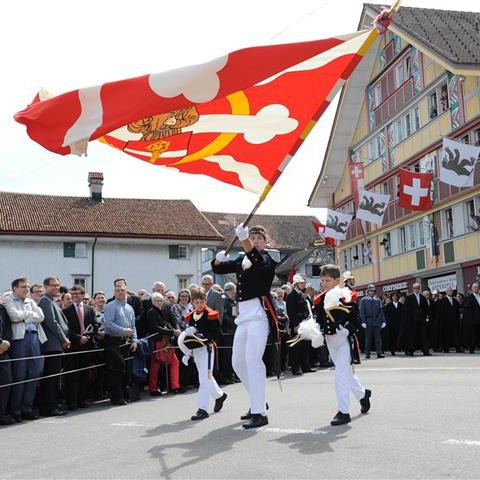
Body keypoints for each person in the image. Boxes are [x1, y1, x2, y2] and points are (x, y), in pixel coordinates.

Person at [212, 224, 277, 429]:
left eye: (259, 238)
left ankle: (260, 413)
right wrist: (218, 259)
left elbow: (257, 261)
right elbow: (219, 269)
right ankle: (258, 401)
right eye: (253, 237)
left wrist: (244, 240)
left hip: (259, 313)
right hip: (243, 314)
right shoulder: (242, 259)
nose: (255, 240)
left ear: (265, 242)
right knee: (238, 362)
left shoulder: (267, 259)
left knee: (252, 359)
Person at [313, 265, 370, 426]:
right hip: (331, 341)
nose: (324, 283)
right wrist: (314, 332)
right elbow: (319, 321)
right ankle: (363, 395)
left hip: (344, 340)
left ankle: (343, 411)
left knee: (340, 374)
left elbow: (357, 320)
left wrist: (348, 329)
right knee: (344, 373)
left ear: (337, 281)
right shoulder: (319, 299)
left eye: (327, 280)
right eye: (322, 280)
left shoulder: (347, 296)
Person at [4, 278, 47, 421]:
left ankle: (27, 408)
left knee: (34, 373)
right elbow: (14, 316)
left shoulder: (30, 301)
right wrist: (29, 315)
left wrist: (25, 315)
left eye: (28, 287)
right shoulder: (9, 300)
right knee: (20, 374)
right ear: (15, 288)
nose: (26, 289)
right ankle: (16, 410)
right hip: (20, 339)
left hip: (34, 337)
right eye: (23, 287)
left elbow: (41, 317)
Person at [183, 289, 227, 420]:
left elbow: (218, 333)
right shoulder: (191, 316)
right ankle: (219, 395)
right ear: (193, 303)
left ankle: (202, 409)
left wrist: (203, 336)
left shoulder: (211, 314)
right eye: (197, 302)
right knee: (206, 376)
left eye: (202, 301)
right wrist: (187, 350)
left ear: (205, 301)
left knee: (204, 378)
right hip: (196, 349)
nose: (200, 304)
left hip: (207, 348)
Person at [37, 276, 71, 417]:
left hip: (56, 345)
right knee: (51, 378)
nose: (56, 287)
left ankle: (51, 404)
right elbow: (52, 323)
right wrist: (64, 339)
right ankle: (49, 407)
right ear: (46, 286)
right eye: (53, 285)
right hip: (52, 345)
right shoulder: (45, 301)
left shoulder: (51, 301)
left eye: (58, 285)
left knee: (55, 377)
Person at [62, 285, 96, 410]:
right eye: (73, 293)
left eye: (78, 293)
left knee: (84, 375)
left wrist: (87, 336)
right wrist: (78, 338)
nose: (75, 295)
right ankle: (72, 402)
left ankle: (82, 400)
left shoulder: (89, 309)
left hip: (86, 346)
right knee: (72, 376)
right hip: (73, 347)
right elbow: (66, 329)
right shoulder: (66, 311)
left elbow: (95, 325)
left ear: (83, 295)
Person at [104, 282, 138, 405]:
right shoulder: (111, 306)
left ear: (126, 291)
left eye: (122, 290)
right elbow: (108, 324)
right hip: (113, 340)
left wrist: (134, 340)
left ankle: (124, 394)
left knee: (126, 369)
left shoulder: (129, 308)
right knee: (117, 368)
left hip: (126, 341)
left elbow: (133, 326)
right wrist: (124, 331)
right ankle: (116, 397)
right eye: (117, 290)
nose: (119, 292)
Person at [146, 293, 181, 395]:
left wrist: (175, 329)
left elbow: (170, 321)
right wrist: (172, 332)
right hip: (157, 341)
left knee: (174, 362)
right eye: (157, 300)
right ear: (152, 301)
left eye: (161, 300)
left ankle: (175, 386)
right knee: (155, 365)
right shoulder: (151, 312)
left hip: (167, 340)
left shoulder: (164, 309)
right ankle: (153, 389)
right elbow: (155, 327)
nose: (159, 302)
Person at [286, 274, 314, 374]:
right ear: (296, 284)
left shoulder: (301, 295)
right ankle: (295, 368)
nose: (303, 284)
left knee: (305, 346)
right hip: (297, 324)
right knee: (296, 348)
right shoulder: (291, 296)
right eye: (301, 283)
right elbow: (291, 312)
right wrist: (294, 325)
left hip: (304, 323)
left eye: (303, 283)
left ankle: (305, 366)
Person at [402, 283, 431, 356]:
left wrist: (425, 317)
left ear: (419, 288)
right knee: (412, 336)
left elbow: (426, 309)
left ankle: (425, 351)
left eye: (417, 288)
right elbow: (406, 310)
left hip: (421, 321)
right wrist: (408, 320)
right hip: (412, 321)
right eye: (414, 288)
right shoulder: (409, 297)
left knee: (423, 336)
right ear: (412, 288)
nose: (416, 289)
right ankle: (411, 351)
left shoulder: (423, 297)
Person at [218, 282, 238, 384]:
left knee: (232, 355)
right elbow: (224, 317)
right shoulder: (224, 301)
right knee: (226, 356)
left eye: (232, 289)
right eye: (228, 289)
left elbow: (234, 314)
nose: (231, 291)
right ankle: (226, 376)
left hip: (233, 332)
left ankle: (231, 375)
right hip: (226, 333)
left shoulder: (233, 301)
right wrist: (235, 323)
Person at [359, 284, 386, 359]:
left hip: (377, 321)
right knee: (368, 338)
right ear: (367, 291)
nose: (372, 292)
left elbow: (381, 312)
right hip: (368, 321)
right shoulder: (363, 300)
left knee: (378, 338)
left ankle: (379, 353)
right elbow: (361, 312)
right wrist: (363, 322)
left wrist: (383, 321)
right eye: (370, 291)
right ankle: (367, 354)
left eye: (373, 291)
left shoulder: (378, 300)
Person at [0, 300, 14, 425]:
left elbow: (8, 328)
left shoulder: (3, 309)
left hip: (4, 352)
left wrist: (6, 344)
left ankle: (2, 413)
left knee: (6, 381)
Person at [437, 287, 461, 353]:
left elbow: (457, 311)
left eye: (451, 291)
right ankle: (446, 348)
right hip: (446, 322)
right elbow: (440, 312)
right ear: (446, 292)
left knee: (456, 335)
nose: (451, 292)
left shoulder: (455, 300)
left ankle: (458, 348)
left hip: (455, 321)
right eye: (449, 291)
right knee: (446, 335)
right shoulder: (442, 301)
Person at [462, 283, 480, 353]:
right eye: (474, 287)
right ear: (472, 289)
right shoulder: (468, 298)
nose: (476, 289)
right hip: (473, 320)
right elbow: (467, 310)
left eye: (477, 287)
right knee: (472, 335)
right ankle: (471, 348)